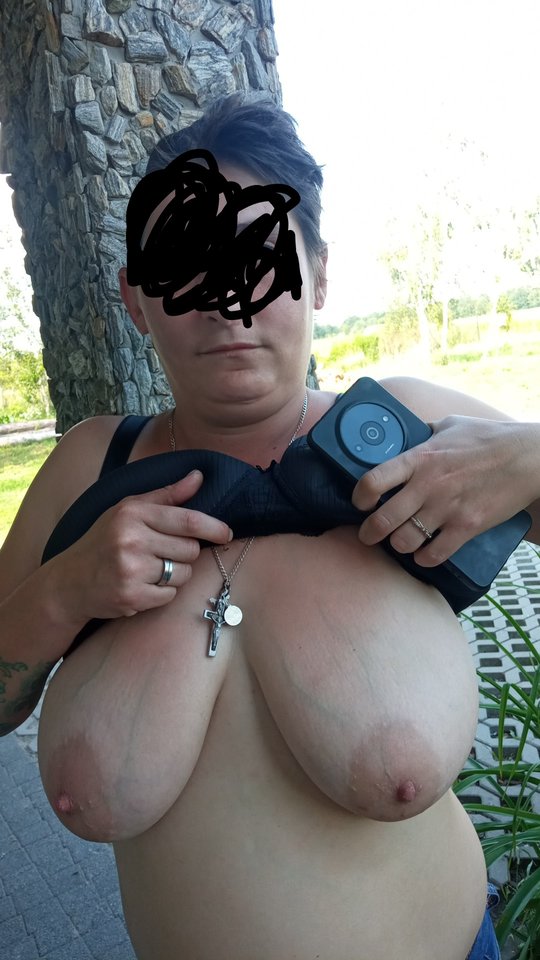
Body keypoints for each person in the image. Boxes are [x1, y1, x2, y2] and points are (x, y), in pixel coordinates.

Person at [0, 93, 539, 960]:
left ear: (318, 274)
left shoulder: (410, 430)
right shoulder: (87, 472)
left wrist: (531, 455)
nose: (227, 300)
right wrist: (62, 594)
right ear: (137, 299)